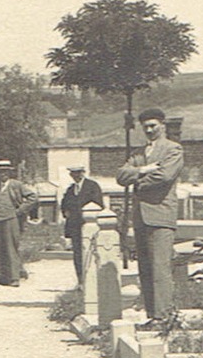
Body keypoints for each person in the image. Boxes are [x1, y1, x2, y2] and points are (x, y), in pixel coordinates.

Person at [116, 108, 184, 322]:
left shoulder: (173, 149)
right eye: (145, 126)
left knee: (160, 268)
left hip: (161, 214)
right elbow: (120, 176)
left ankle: (164, 316)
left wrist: (137, 182)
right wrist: (144, 170)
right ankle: (152, 314)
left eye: (153, 125)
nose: (149, 130)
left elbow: (165, 176)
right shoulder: (138, 154)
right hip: (140, 217)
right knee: (145, 269)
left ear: (163, 125)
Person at [0, 159, 37, 287]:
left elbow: (32, 197)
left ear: (9, 172)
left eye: (5, 171)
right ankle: (2, 277)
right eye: (0, 172)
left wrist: (19, 211)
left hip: (11, 219)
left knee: (11, 247)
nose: (3, 174)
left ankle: (14, 277)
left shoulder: (16, 185)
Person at [59, 163, 104, 283]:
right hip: (75, 227)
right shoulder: (70, 189)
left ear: (83, 173)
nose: (76, 175)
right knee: (78, 254)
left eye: (78, 173)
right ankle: (81, 281)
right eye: (73, 173)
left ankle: (93, 279)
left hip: (89, 226)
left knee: (91, 252)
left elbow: (99, 205)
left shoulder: (92, 186)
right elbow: (64, 205)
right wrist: (67, 213)